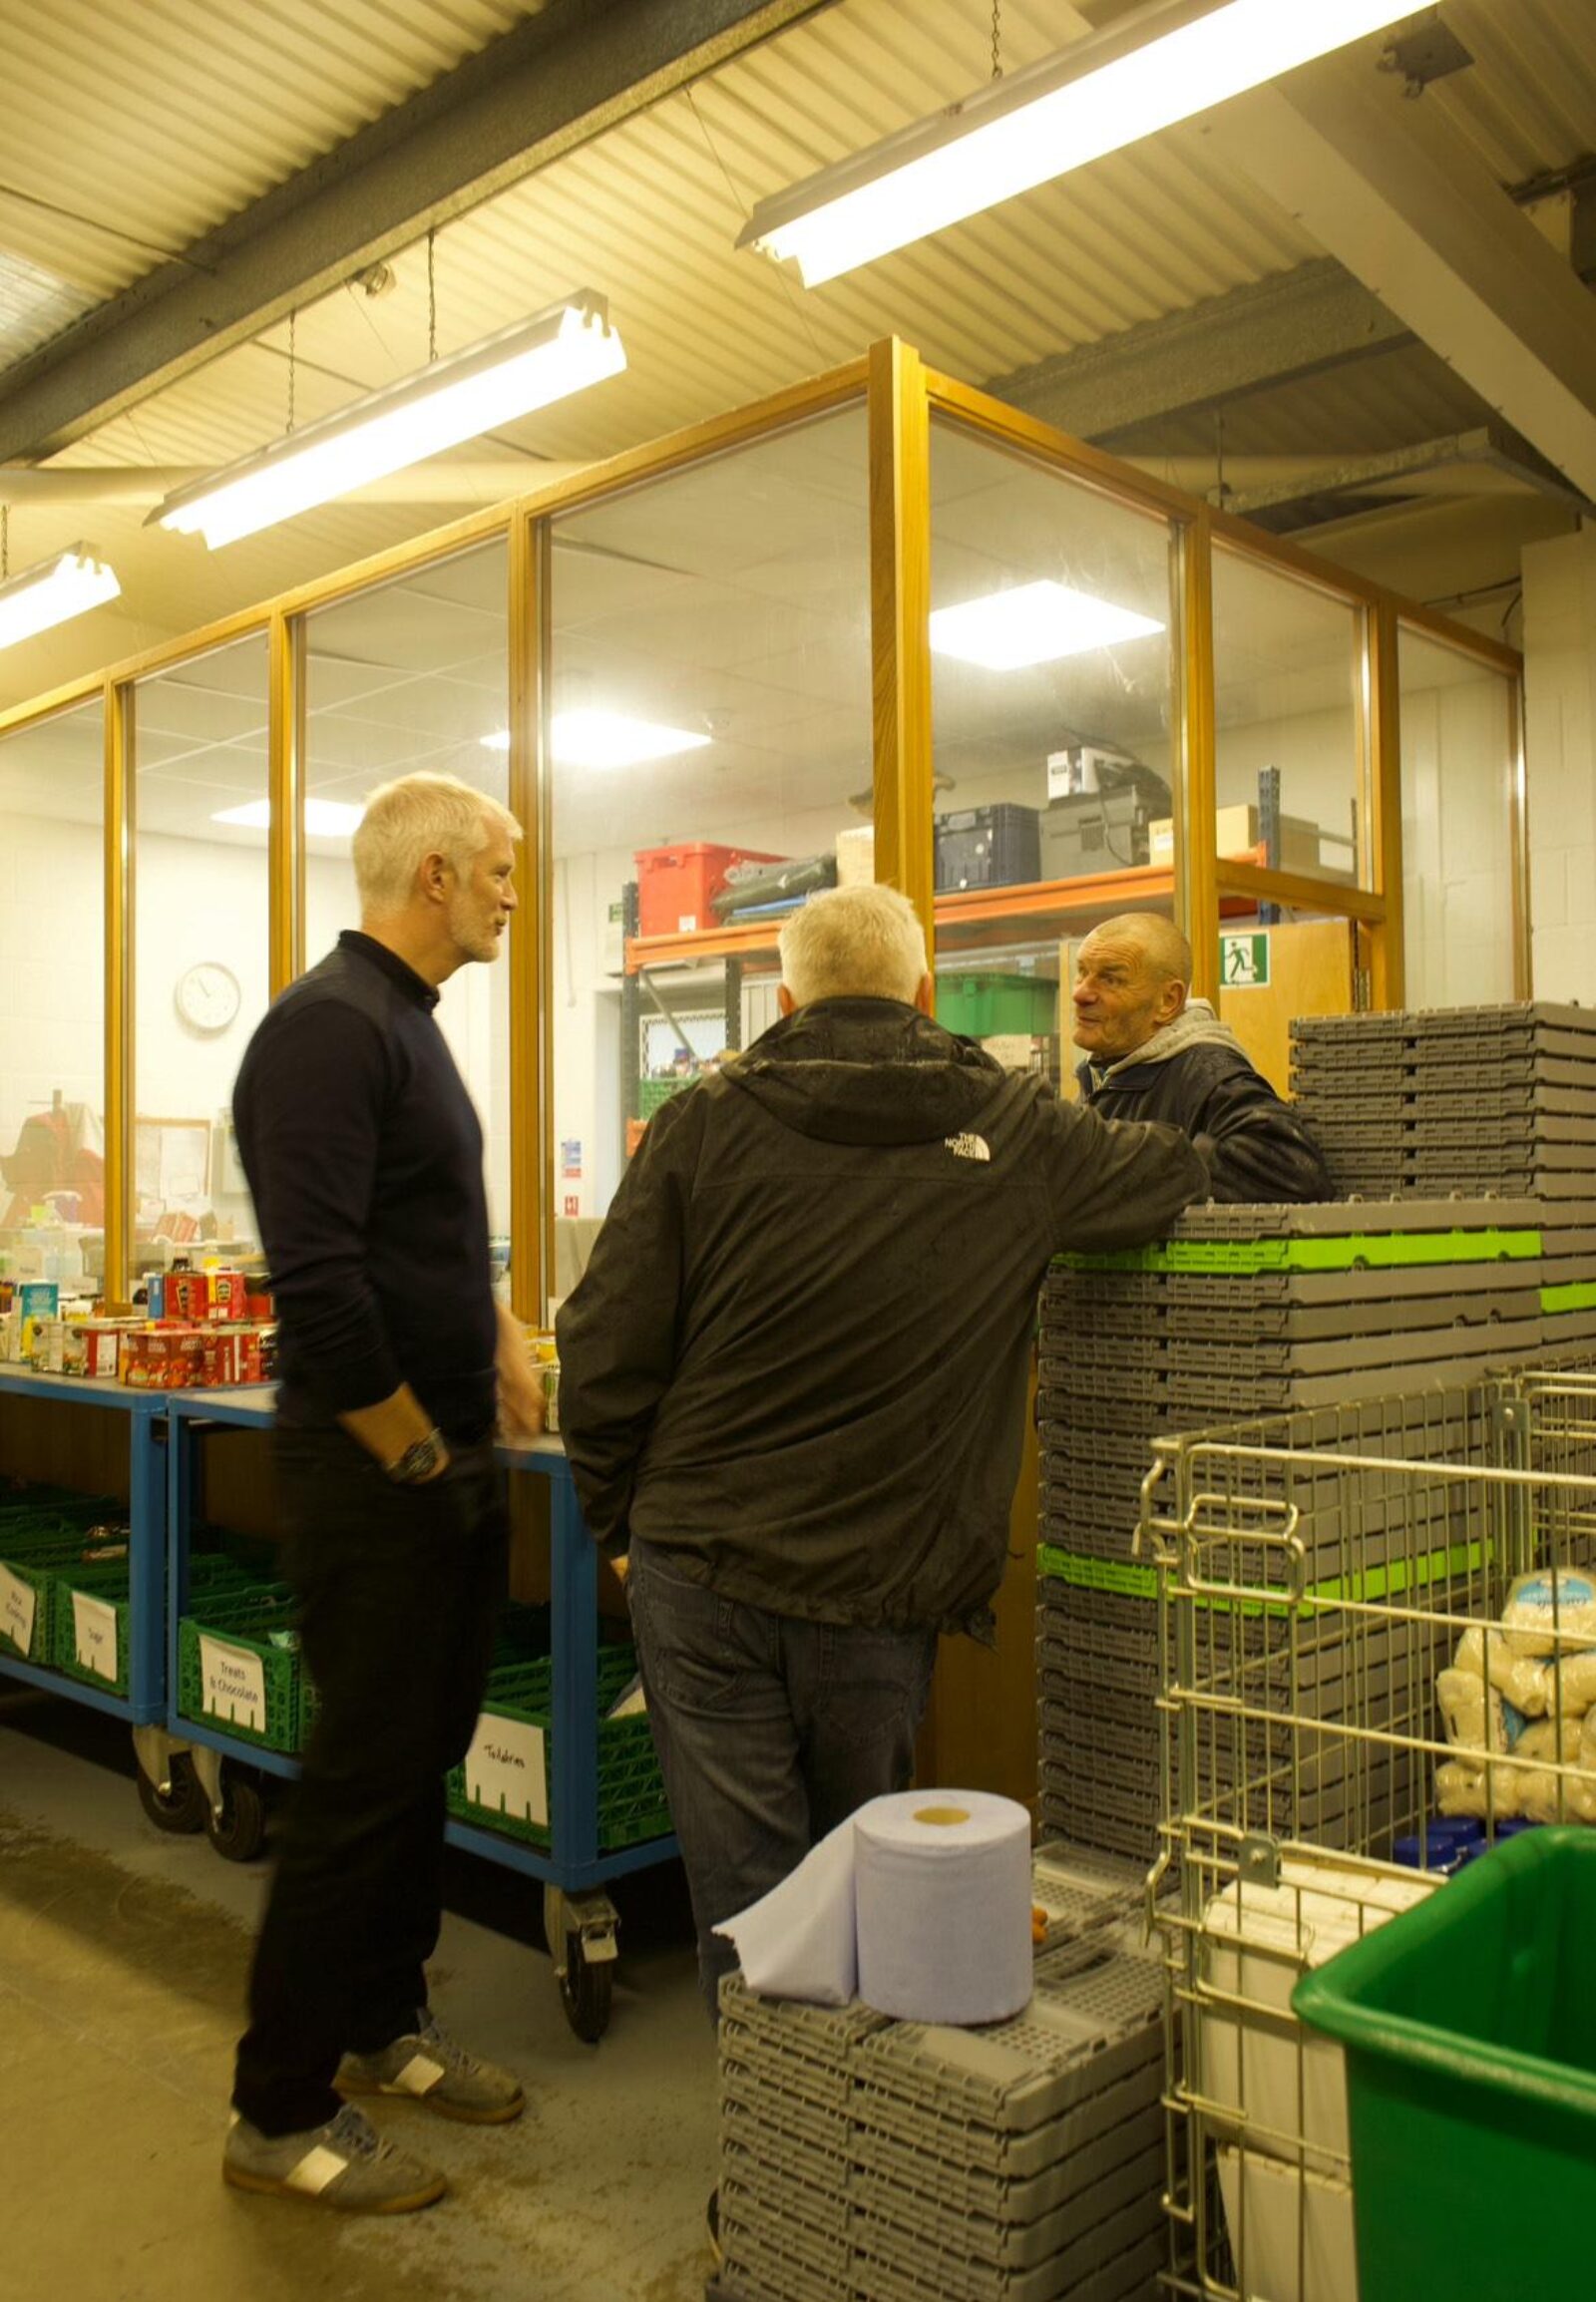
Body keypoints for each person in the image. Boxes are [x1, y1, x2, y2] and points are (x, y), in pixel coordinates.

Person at [556, 883, 1208, 2030]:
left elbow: (601, 1340)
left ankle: (758, 2181)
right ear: (921, 990)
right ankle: (847, 2170)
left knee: (751, 1915)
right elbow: (1196, 1170)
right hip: (881, 1584)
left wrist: (617, 1523)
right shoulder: (1020, 1131)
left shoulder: (703, 1122)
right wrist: (1199, 1052)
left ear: (789, 993)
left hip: (699, 1571)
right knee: (867, 1891)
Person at [223, 771, 545, 2214]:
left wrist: (497, 1341)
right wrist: (417, 1453)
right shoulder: (322, 1033)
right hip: (374, 1475)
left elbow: (431, 1236)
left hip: (441, 1461)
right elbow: (323, 1291)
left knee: (418, 1763)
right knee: (357, 1785)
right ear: (431, 874)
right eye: (497, 872)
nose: (510, 895)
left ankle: (381, 2027)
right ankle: (278, 2108)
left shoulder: (408, 1030)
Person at [1071, 912, 1333, 1203]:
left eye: (1111, 979)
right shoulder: (1104, 1072)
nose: (1081, 993)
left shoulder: (1208, 1075)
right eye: (1082, 972)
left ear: (1168, 1001)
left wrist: (1134, 1168)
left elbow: (1295, 1170)